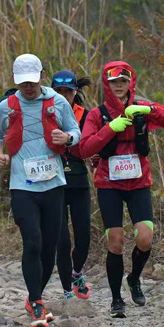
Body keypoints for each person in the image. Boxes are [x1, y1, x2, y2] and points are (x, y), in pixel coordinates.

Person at [72, 61, 164, 318]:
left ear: (130, 82)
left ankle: (133, 278)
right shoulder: (98, 115)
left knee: (145, 237)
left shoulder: (141, 110)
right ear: (106, 85)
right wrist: (111, 128)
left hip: (139, 182)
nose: (118, 86)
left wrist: (149, 107)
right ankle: (116, 300)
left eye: (123, 81)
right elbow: (84, 149)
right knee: (116, 241)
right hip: (109, 183)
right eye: (113, 82)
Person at [0, 54, 82, 327]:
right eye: (22, 83)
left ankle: (33, 297)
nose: (28, 87)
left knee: (50, 249)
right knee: (33, 242)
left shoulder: (58, 102)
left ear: (42, 76)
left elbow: (76, 131)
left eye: (32, 81)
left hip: (53, 184)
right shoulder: (8, 106)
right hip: (22, 186)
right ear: (16, 81)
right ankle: (38, 303)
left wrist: (67, 138)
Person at [50, 70, 94, 301]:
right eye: (59, 92)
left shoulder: (86, 116)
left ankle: (78, 273)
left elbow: (91, 144)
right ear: (51, 92)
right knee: (62, 239)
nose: (64, 96)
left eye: (68, 92)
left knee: (83, 236)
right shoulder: (45, 115)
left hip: (78, 181)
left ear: (75, 92)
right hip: (53, 183)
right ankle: (67, 289)